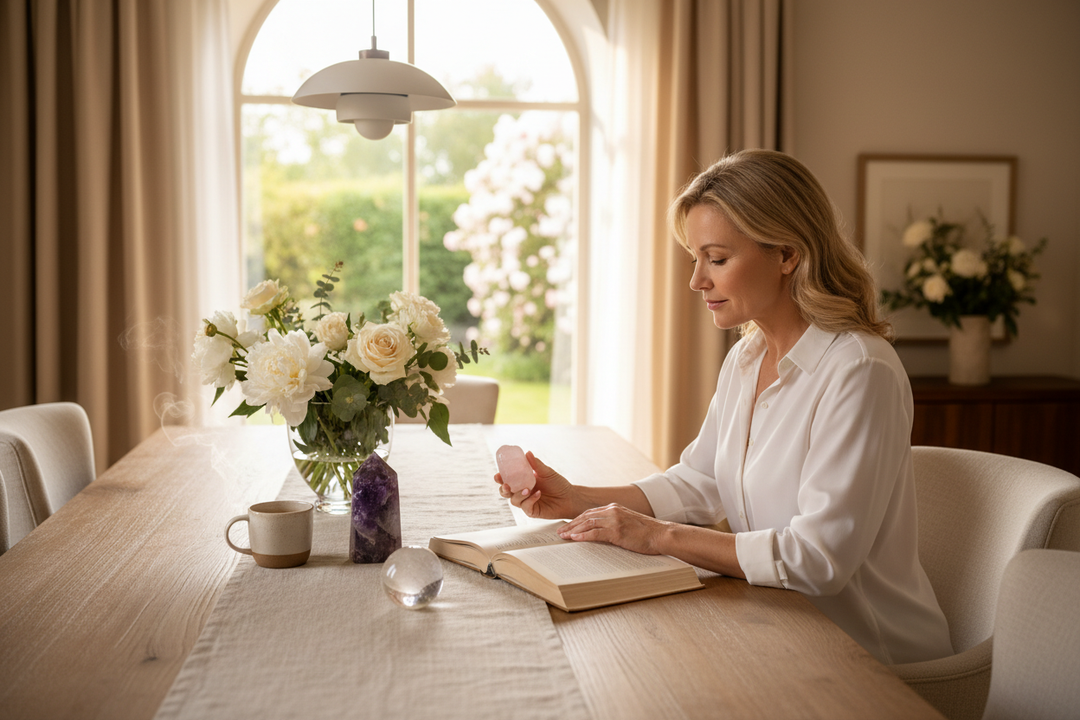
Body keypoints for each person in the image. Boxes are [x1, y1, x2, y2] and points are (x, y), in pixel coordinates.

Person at [496, 149, 954, 666]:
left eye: (716, 258)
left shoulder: (860, 370)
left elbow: (819, 559)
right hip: (772, 624)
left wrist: (660, 537)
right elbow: (700, 482)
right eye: (696, 258)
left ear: (787, 254)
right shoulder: (747, 356)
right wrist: (579, 498)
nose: (697, 280)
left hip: (868, 657)